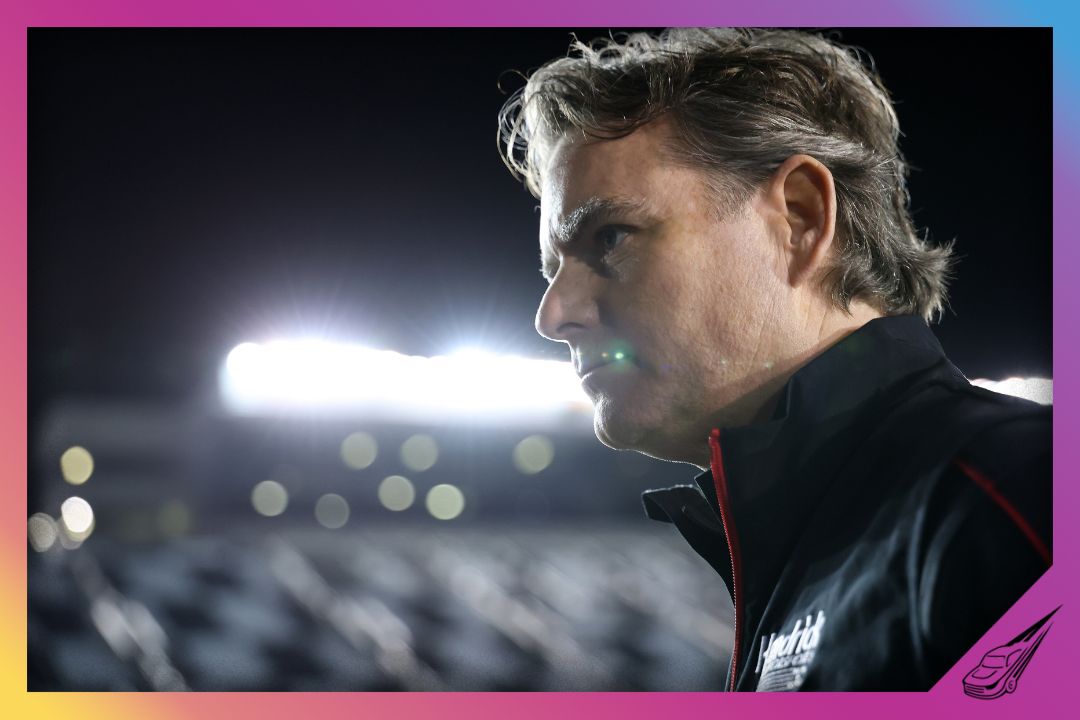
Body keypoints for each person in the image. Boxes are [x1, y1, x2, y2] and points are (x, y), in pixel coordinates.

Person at [496, 28, 1051, 691]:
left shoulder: (1012, 493)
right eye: (552, 269)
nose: (553, 315)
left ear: (800, 217)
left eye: (611, 237)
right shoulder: (838, 533)